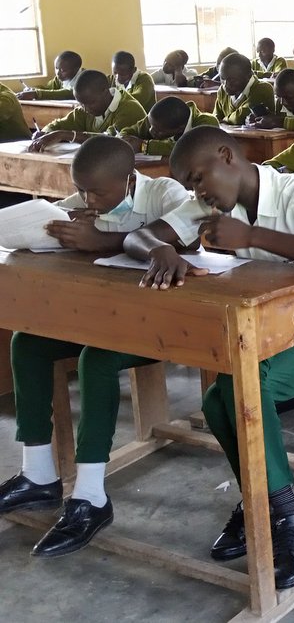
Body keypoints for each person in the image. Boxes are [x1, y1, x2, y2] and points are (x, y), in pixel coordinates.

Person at [124, 126, 294, 590]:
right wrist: (159, 249)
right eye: (192, 186)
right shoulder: (210, 202)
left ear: (226, 156)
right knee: (218, 400)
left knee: (239, 388)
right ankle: (269, 502)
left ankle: (283, 514)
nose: (197, 192)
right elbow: (139, 238)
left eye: (199, 179)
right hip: (275, 329)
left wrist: (252, 234)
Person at [0, 137, 190, 557]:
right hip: (104, 318)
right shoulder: (86, 201)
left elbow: (186, 244)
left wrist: (100, 238)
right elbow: (63, 233)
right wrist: (58, 230)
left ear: (128, 178)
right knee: (28, 342)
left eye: (98, 192)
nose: (89, 199)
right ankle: (39, 476)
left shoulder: (166, 194)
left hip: (164, 325)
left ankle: (90, 498)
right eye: (82, 189)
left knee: (96, 360)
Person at [31, 69, 146, 152]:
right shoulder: (86, 108)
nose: (85, 109)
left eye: (90, 103)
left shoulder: (129, 109)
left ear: (105, 92)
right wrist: (45, 133)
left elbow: (109, 140)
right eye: (81, 104)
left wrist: (64, 135)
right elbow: (59, 125)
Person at [119, 95, 219, 156]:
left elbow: (189, 149)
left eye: (158, 131)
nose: (151, 131)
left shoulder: (207, 123)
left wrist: (144, 146)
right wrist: (125, 140)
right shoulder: (156, 119)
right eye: (151, 125)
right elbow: (128, 131)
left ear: (179, 129)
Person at [247, 68, 294, 132]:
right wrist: (264, 119)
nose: (283, 102)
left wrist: (281, 122)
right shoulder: (280, 104)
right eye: (278, 97)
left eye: (289, 98)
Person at [212, 53, 274, 126]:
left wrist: (224, 120)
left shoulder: (263, 88)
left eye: (232, 80)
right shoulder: (222, 90)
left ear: (248, 76)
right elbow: (214, 119)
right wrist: (219, 120)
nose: (226, 84)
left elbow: (241, 116)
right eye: (222, 78)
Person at [18, 51, 83, 100]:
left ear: (76, 69)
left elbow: (70, 93)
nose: (58, 73)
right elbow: (47, 89)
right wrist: (32, 89)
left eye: (63, 71)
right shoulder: (59, 79)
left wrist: (37, 94)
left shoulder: (85, 78)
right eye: (56, 68)